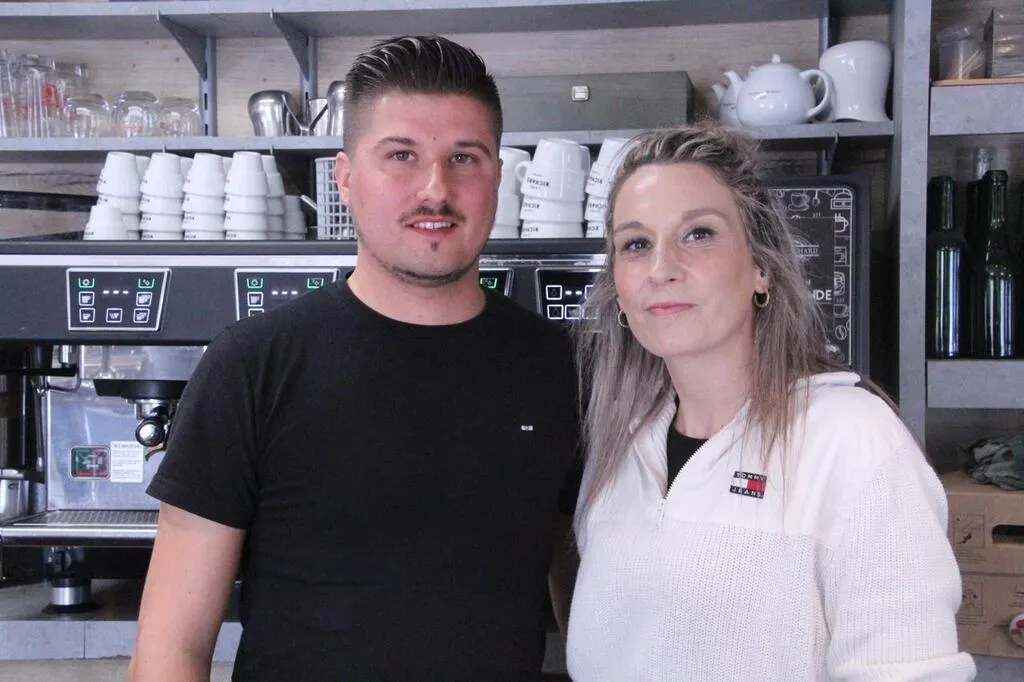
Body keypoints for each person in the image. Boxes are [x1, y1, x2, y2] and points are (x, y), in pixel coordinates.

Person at [129, 35, 581, 681]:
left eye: (465, 157)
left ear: (498, 178)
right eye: (401, 155)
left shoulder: (559, 368)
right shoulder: (253, 364)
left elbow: (581, 598)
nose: (436, 188)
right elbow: (171, 647)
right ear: (344, 177)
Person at [565, 122, 976, 681]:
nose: (661, 269)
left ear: (761, 269)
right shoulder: (620, 449)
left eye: (699, 234)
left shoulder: (854, 441)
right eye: (636, 244)